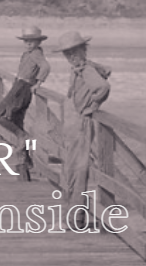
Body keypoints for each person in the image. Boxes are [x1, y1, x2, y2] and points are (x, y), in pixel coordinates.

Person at [55, 31, 111, 229]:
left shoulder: (86, 69)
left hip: (81, 125)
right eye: (67, 53)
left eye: (74, 51)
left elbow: (102, 87)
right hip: (73, 127)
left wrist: (91, 105)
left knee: (78, 170)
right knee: (71, 169)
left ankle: (75, 218)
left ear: (83, 49)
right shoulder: (78, 69)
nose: (71, 56)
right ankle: (72, 214)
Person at [0, 26, 51, 181]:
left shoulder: (37, 53)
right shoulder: (28, 53)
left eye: (32, 41)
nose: (28, 44)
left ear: (38, 42)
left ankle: (22, 137)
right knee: (16, 120)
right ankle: (26, 161)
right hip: (19, 85)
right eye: (26, 41)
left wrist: (38, 84)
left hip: (23, 88)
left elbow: (45, 66)